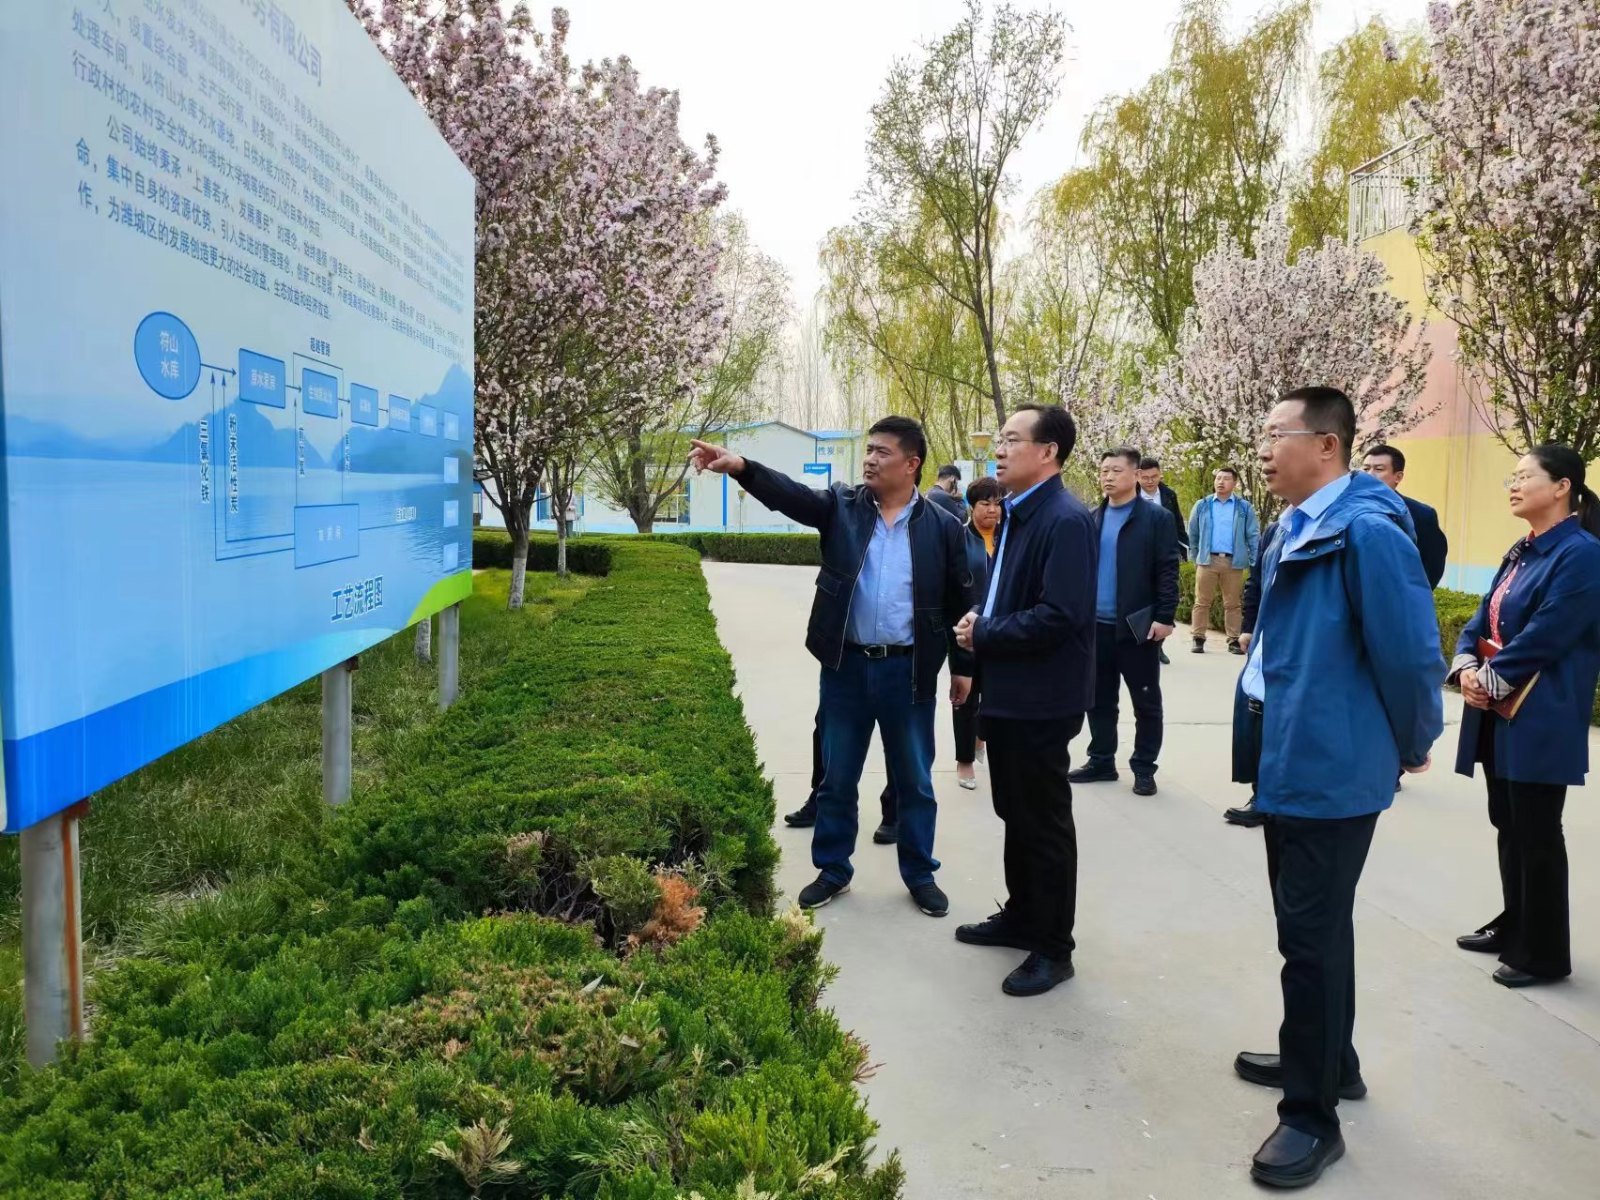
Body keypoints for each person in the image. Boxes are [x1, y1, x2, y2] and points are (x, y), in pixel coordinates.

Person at [1230, 387, 1443, 1189]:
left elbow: (1411, 654)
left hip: (1331, 765)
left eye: (1275, 434)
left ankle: (1311, 1118)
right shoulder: (1292, 524)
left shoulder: (1367, 531)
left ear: (1327, 445)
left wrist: (1413, 742)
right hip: (1288, 756)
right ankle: (1328, 1060)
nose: (1262, 449)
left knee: (1309, 944)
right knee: (1315, 930)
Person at [689, 419, 975, 918]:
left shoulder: (943, 526)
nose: (869, 459)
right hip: (847, 667)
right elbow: (793, 497)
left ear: (911, 464)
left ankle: (919, 873)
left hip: (908, 672)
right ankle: (833, 870)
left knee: (915, 781)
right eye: (868, 450)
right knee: (837, 777)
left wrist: (963, 666)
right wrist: (741, 468)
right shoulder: (843, 507)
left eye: (882, 452)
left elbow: (961, 600)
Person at [951, 403, 1097, 997]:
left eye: (1013, 439)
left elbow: (1060, 615)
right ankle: (1021, 916)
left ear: (1048, 452)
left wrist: (986, 632)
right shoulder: (1017, 512)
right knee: (1016, 813)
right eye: (1000, 439)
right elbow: (1013, 596)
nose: (1000, 449)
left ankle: (1054, 948)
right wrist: (980, 619)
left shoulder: (1065, 520)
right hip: (1010, 690)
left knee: (1043, 823)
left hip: (1043, 698)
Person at [1447, 444, 1600, 989]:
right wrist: (1467, 664)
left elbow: (1550, 632)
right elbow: (1481, 616)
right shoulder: (1524, 549)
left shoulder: (1581, 554)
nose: (1512, 485)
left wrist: (1489, 680)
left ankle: (1544, 953)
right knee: (1508, 822)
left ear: (1562, 487)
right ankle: (1516, 923)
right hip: (1502, 707)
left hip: (1542, 711)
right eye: (1510, 477)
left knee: (1536, 829)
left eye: (1523, 476)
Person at [1069, 447, 1179, 796]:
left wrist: (1165, 616)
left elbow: (1168, 569)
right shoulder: (1092, 517)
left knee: (1146, 702)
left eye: (1116, 470)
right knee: (1098, 699)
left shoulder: (1156, 518)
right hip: (1096, 626)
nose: (1108, 477)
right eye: (1104, 470)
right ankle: (1102, 760)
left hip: (1137, 626)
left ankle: (1144, 767)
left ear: (1135, 475)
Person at [1223, 518, 1278, 829]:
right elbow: (1256, 582)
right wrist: (1248, 627)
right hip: (1266, 638)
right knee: (1255, 714)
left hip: (1304, 646)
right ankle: (1262, 796)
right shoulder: (1278, 529)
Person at [955, 477, 1003, 790]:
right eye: (985, 504)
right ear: (972, 507)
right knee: (966, 697)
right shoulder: (959, 539)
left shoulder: (1010, 537)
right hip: (967, 629)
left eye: (997, 504)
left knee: (996, 695)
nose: (992, 510)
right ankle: (964, 761)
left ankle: (981, 738)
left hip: (1001, 629)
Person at [1188, 467, 1260, 654]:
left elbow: (1253, 535)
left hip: (1233, 562)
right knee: (1202, 601)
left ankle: (1234, 639)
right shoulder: (1203, 505)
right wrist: (1195, 557)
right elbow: (1193, 533)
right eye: (1218, 478)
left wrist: (1255, 561)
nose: (1220, 482)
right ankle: (1198, 637)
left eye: (1226, 478)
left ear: (1234, 483)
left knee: (1233, 603)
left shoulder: (1244, 507)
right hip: (1207, 560)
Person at [1362, 444, 1448, 588]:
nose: (1369, 474)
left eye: (1378, 469)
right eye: (1365, 469)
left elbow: (1431, 565)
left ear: (1398, 477)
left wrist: (1412, 595)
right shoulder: (1344, 509)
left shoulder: (1421, 514)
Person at [1138, 456, 1189, 560]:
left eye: (1154, 476)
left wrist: (1183, 550)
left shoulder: (1169, 495)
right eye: (1145, 478)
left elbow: (1178, 524)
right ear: (1137, 476)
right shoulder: (1128, 497)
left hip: (1165, 553)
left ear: (1160, 474)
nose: (1150, 481)